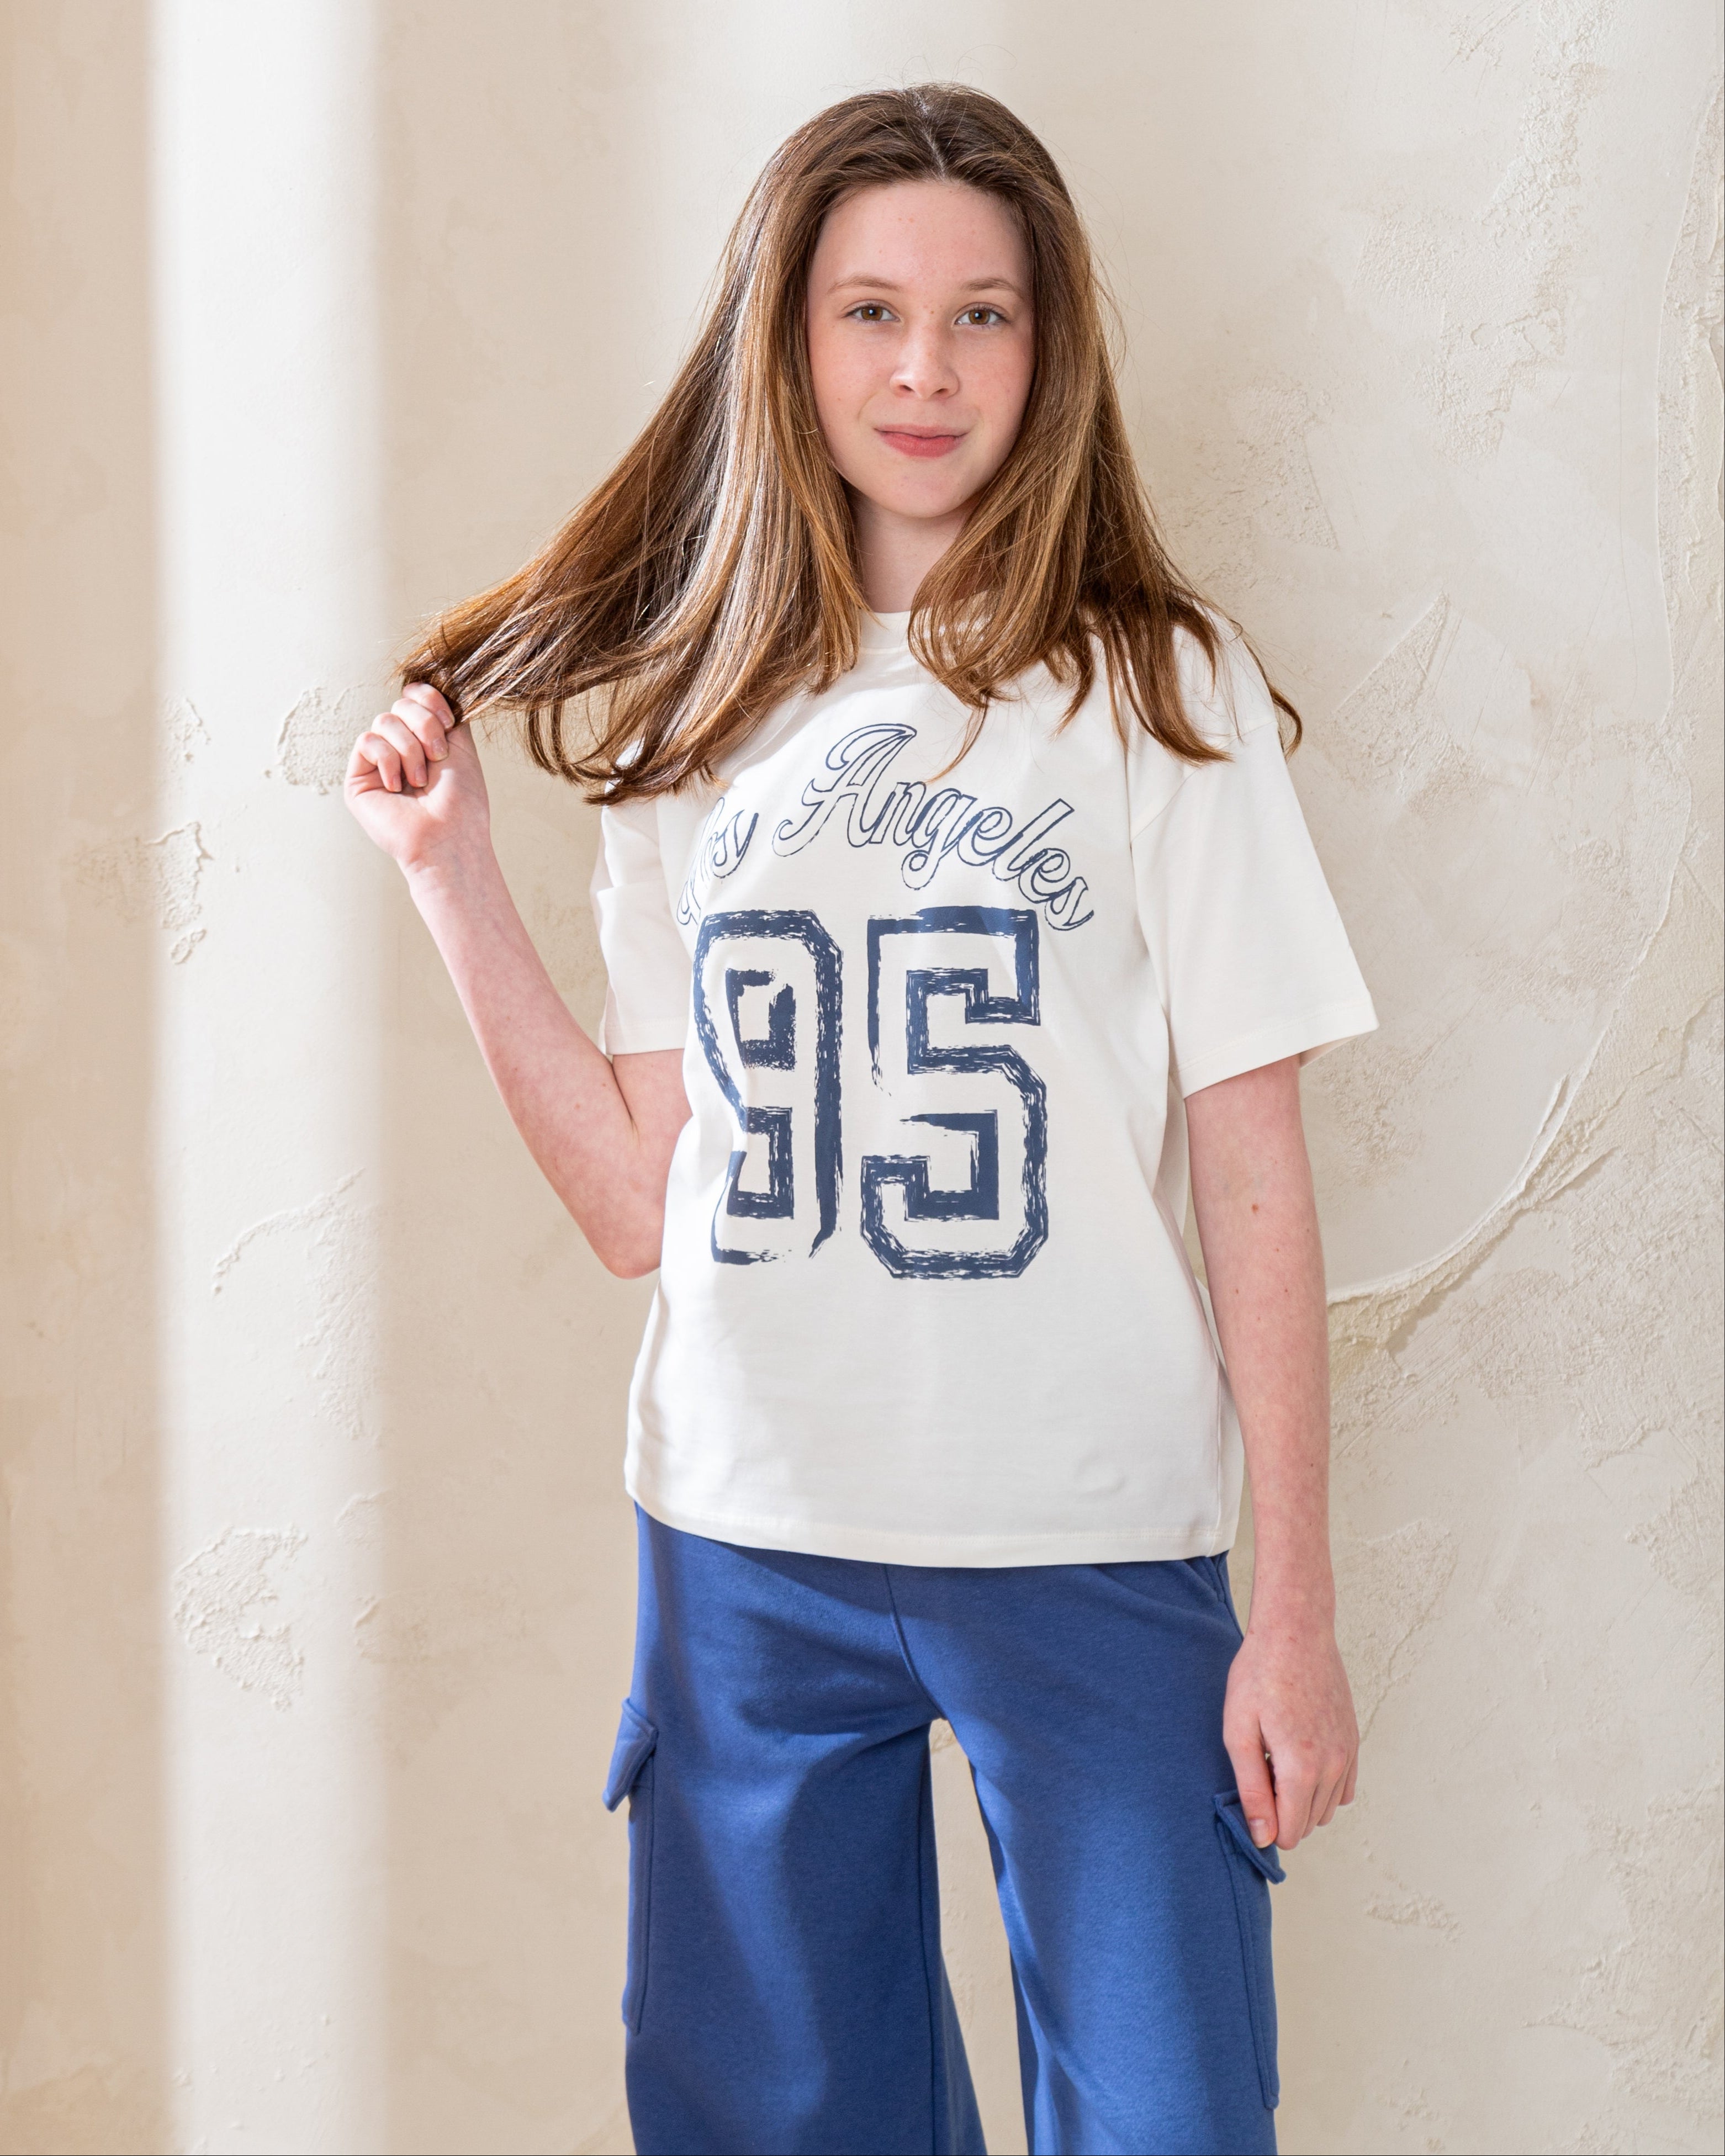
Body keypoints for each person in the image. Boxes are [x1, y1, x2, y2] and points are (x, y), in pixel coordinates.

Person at [346, 83, 1375, 2156]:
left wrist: (1295, 1605)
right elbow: (637, 1205)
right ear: (788, 339)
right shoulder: (686, 717)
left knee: (1171, 2111)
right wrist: (451, 880)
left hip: (1088, 1531)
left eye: (981, 315)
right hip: (750, 1539)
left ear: (1047, 348)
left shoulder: (1157, 693)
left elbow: (1253, 1169)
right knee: (767, 2115)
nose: (925, 370)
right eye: (871, 312)